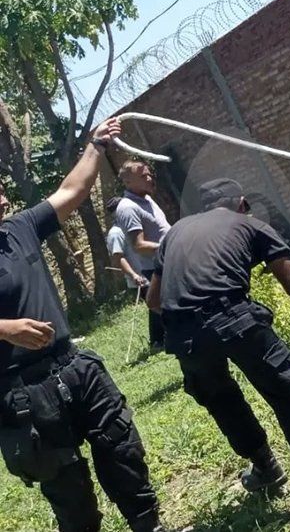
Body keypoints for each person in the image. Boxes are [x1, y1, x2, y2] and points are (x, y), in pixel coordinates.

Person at [146, 178, 290, 507]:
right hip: (233, 316)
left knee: (221, 400)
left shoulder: (175, 233)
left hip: (183, 334)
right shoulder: (249, 225)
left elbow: (154, 299)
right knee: (285, 386)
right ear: (241, 204)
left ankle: (266, 468)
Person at [0, 118, 174, 532]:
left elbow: (72, 191)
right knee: (69, 493)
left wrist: (97, 144)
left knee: (122, 450)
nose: (2, 196)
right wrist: (4, 329)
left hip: (74, 367)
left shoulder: (18, 229)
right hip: (22, 391)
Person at [113, 161, 171, 349]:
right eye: (144, 176)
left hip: (169, 260)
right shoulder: (128, 207)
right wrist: (171, 245)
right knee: (165, 308)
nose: (150, 178)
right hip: (156, 267)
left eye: (149, 174)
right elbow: (139, 245)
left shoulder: (147, 199)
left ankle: (164, 340)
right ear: (128, 182)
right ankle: (165, 342)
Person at [105, 197, 149, 299]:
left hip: (154, 275)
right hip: (142, 282)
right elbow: (119, 258)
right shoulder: (115, 233)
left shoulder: (132, 225)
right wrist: (134, 275)